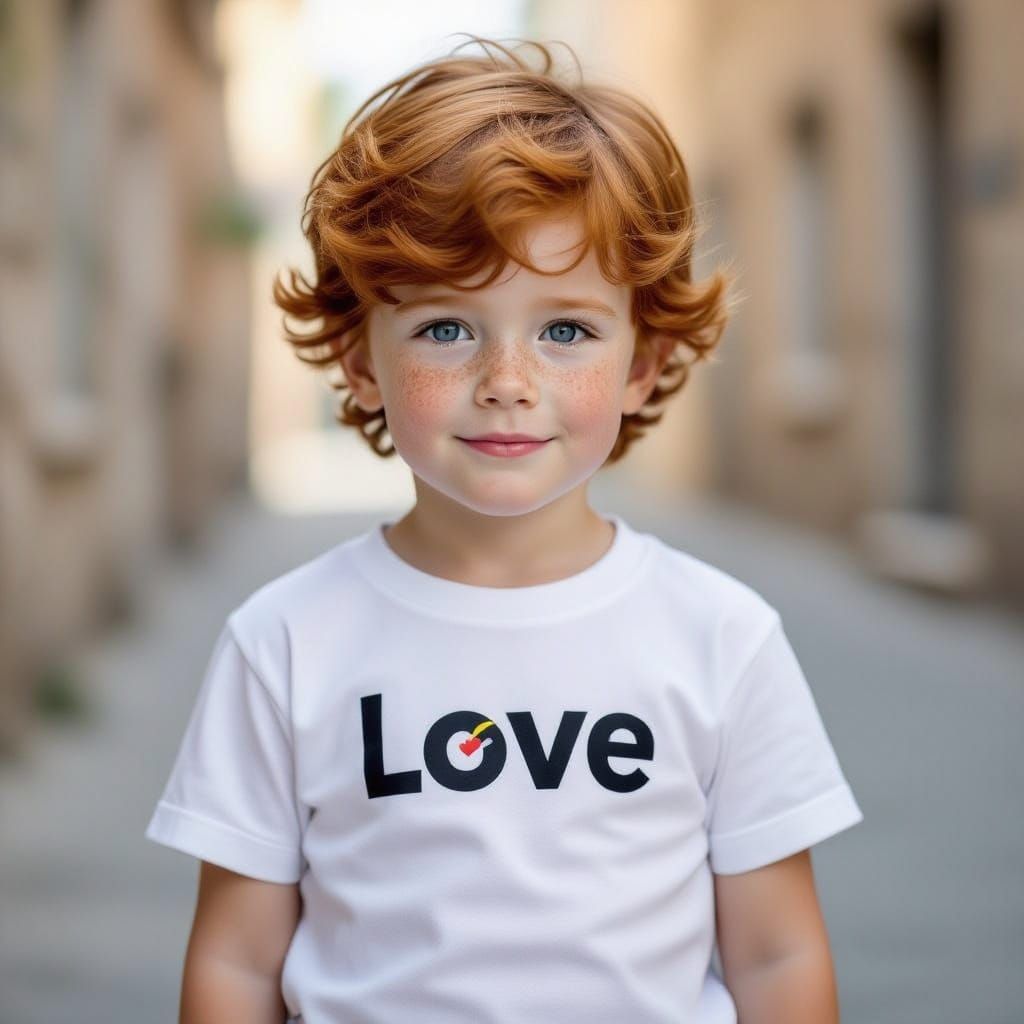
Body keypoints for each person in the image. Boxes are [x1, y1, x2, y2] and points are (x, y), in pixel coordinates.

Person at [145, 35, 864, 1024]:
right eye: (447, 327)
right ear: (359, 362)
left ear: (643, 364)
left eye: (565, 329)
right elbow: (234, 962)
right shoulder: (284, 642)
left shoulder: (721, 638)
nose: (508, 380)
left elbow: (778, 954)